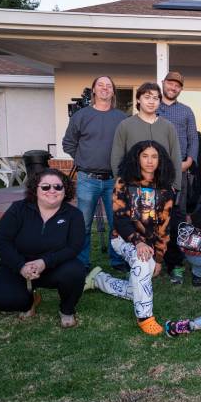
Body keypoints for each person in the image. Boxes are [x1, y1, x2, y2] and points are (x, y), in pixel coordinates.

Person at [85, 141, 175, 336]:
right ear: (137, 158)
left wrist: (159, 258)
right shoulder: (123, 183)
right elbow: (120, 219)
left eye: (154, 156)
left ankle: (100, 280)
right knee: (142, 264)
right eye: (145, 156)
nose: (150, 161)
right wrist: (138, 242)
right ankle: (145, 317)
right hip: (124, 239)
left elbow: (164, 228)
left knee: (140, 282)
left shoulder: (166, 189)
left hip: (150, 244)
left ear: (160, 161)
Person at [0, 169, 85, 328]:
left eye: (58, 187)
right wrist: (20, 266)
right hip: (17, 266)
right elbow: (1, 241)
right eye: (45, 187)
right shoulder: (18, 209)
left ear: (65, 189)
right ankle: (29, 301)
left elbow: (74, 247)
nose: (52, 191)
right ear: (35, 189)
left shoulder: (74, 215)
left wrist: (45, 262)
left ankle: (67, 309)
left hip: (53, 267)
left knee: (76, 270)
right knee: (1, 299)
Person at [62, 75, 127, 271]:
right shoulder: (80, 116)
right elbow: (68, 143)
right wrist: (83, 158)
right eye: (101, 85)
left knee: (117, 223)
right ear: (94, 90)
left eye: (109, 86)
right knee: (84, 224)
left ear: (113, 92)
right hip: (87, 179)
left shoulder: (122, 118)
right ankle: (82, 262)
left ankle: (117, 261)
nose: (105, 88)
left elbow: (126, 146)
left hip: (113, 180)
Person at [157, 71, 199, 285]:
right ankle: (152, 260)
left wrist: (189, 161)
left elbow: (193, 138)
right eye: (170, 83)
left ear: (181, 89)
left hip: (179, 171)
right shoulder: (153, 106)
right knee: (152, 217)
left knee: (177, 218)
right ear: (163, 84)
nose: (173, 88)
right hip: (153, 171)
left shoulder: (186, 111)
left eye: (177, 85)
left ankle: (176, 264)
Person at [110, 82, 182, 191]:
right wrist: (120, 182)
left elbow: (175, 157)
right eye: (147, 97)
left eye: (155, 98)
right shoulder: (125, 125)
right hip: (132, 187)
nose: (151, 102)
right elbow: (117, 156)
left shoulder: (168, 127)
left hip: (162, 187)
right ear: (138, 99)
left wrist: (175, 185)